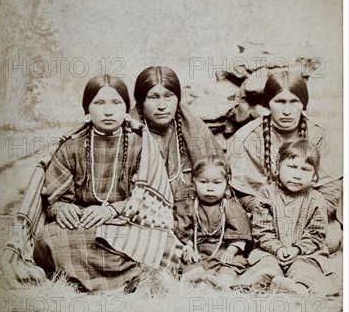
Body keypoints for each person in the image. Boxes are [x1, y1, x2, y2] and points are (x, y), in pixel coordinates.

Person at [33, 75, 179, 292]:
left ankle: (111, 282)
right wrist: (64, 209)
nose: (108, 111)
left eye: (116, 103)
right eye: (99, 103)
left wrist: (112, 211)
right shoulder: (71, 147)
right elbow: (56, 199)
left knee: (165, 244)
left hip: (129, 225)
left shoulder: (143, 146)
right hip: (86, 226)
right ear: (87, 109)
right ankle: (127, 282)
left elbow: (152, 200)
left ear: (127, 109)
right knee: (48, 237)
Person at [227, 67, 342, 253]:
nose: (287, 110)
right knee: (246, 236)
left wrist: (305, 216)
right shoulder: (248, 137)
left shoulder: (320, 135)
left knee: (331, 238)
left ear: (303, 104)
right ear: (267, 104)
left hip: (310, 215)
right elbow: (243, 194)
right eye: (280, 101)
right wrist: (275, 219)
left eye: (294, 101)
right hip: (265, 219)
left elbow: (331, 190)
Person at [236, 139, 339, 295]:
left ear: (314, 177)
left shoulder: (316, 199)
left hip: (305, 254)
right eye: (291, 167)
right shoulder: (266, 194)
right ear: (277, 169)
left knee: (304, 269)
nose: (297, 175)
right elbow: (262, 230)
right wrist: (278, 249)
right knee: (266, 265)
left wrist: (297, 249)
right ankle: (260, 282)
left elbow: (316, 234)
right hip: (269, 251)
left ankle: (298, 287)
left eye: (305, 169)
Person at [132, 66, 222, 204]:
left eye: (168, 96)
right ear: (141, 102)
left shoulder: (195, 130)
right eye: (153, 97)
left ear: (178, 99)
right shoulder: (128, 134)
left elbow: (219, 181)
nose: (162, 105)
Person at [174, 155, 252, 289]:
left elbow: (240, 232)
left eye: (217, 183)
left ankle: (222, 281)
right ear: (194, 182)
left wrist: (231, 251)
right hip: (199, 252)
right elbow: (183, 232)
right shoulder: (189, 205)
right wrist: (189, 250)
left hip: (223, 250)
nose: (210, 188)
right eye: (203, 182)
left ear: (227, 183)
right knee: (189, 265)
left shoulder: (230, 205)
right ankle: (198, 281)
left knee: (232, 264)